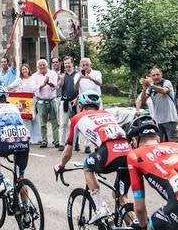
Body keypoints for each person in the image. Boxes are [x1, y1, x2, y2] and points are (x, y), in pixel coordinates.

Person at [53, 90, 132, 222]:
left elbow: (68, 150)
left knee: (87, 165)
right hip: (128, 153)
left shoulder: (77, 118)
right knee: (120, 196)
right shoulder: (106, 113)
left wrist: (61, 165)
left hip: (108, 152)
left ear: (81, 105)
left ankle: (100, 207)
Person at [135, 67, 178, 141]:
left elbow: (164, 91)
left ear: (161, 74)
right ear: (151, 76)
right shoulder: (150, 87)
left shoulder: (166, 82)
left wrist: (151, 85)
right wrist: (144, 88)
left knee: (172, 143)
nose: (156, 77)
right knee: (158, 144)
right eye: (153, 75)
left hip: (170, 119)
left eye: (157, 74)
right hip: (157, 121)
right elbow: (143, 100)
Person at [29, 58, 61, 149]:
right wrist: (43, 84)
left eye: (44, 65)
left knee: (55, 121)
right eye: (40, 65)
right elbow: (33, 87)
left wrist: (49, 83)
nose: (42, 66)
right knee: (43, 123)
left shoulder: (52, 73)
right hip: (41, 101)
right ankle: (44, 141)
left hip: (52, 100)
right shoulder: (35, 75)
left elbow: (56, 86)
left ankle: (56, 141)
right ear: (38, 67)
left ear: (47, 65)